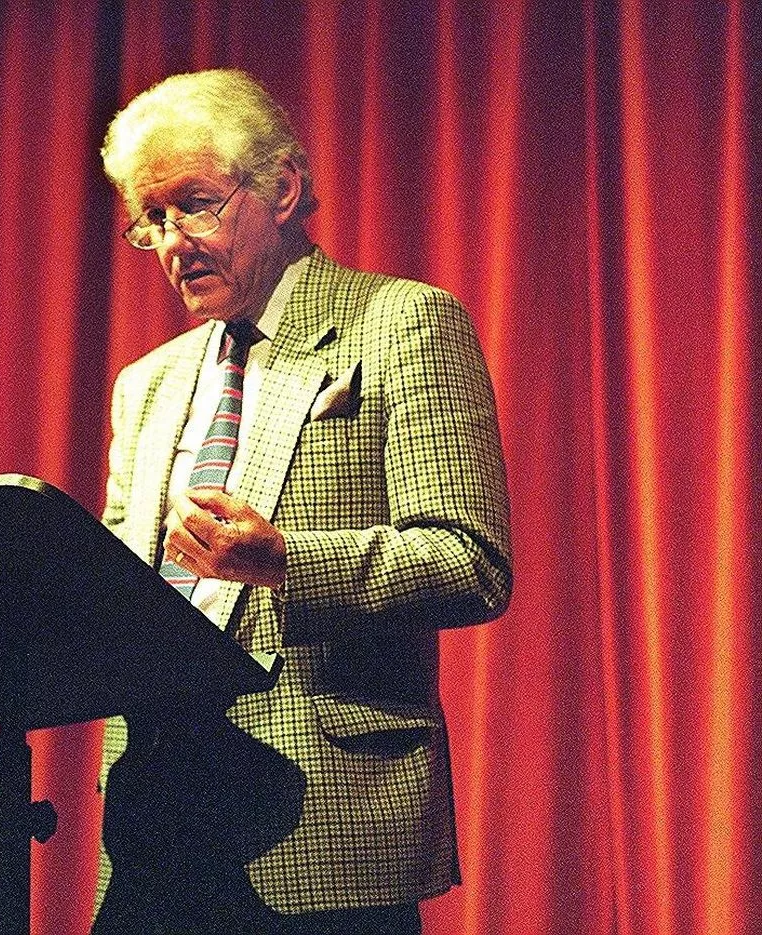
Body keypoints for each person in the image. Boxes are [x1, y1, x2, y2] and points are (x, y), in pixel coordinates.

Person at [93, 69, 512, 935]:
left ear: (282, 187)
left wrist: (287, 563)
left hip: (320, 825)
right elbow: (120, 585)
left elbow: (471, 561)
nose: (174, 242)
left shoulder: (403, 323)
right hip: (154, 823)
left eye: (196, 204)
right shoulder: (148, 385)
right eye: (152, 219)